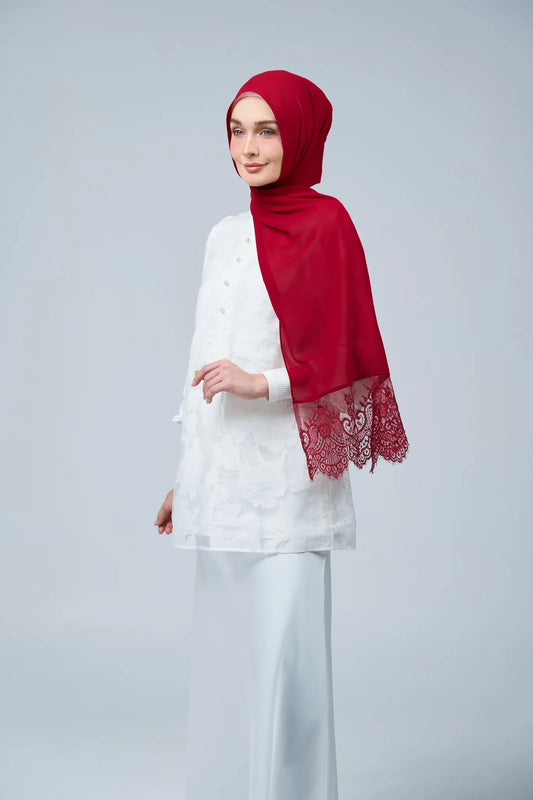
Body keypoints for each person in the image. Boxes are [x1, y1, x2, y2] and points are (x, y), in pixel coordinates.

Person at [154, 70, 408, 800]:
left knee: (282, 670)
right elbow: (202, 359)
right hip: (220, 487)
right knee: (227, 670)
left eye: (267, 130)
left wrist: (258, 382)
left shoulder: (328, 224)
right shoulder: (223, 235)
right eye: (237, 131)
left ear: (299, 136)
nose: (249, 147)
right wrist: (184, 478)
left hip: (288, 486)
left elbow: (346, 355)